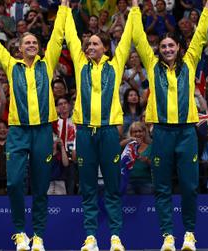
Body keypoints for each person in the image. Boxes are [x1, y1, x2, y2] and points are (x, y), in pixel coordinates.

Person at [0, 1, 69, 250]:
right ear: (19, 46)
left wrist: (64, 9)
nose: (31, 45)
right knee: (14, 182)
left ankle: (37, 235)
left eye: (34, 43)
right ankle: (19, 232)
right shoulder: (11, 64)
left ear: (38, 48)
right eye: (27, 42)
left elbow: (58, 36)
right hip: (17, 131)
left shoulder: (46, 65)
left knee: (40, 186)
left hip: (42, 132)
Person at [132, 0, 208, 250]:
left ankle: (189, 234)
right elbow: (138, 36)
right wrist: (135, 6)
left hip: (187, 132)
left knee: (189, 187)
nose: (167, 49)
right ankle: (167, 235)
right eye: (163, 46)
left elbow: (200, 34)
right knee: (162, 187)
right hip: (163, 134)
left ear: (179, 48)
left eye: (171, 45)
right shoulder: (152, 65)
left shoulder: (189, 63)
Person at [64, 0, 137, 249]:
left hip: (107, 133)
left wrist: (135, 8)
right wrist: (64, 7)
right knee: (87, 188)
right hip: (84, 132)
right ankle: (91, 237)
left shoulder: (115, 65)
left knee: (112, 187)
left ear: (105, 47)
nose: (89, 46)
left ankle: (115, 236)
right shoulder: (80, 63)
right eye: (88, 44)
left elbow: (127, 37)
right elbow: (71, 36)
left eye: (95, 43)